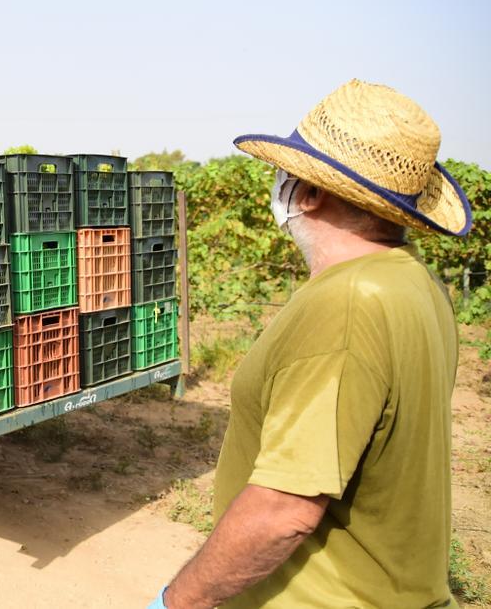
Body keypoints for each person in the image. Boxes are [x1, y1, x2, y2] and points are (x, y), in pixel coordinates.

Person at [152, 79, 473, 608]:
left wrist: (176, 602)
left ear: (308, 193)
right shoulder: (414, 283)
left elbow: (285, 509)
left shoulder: (346, 305)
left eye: (286, 176)